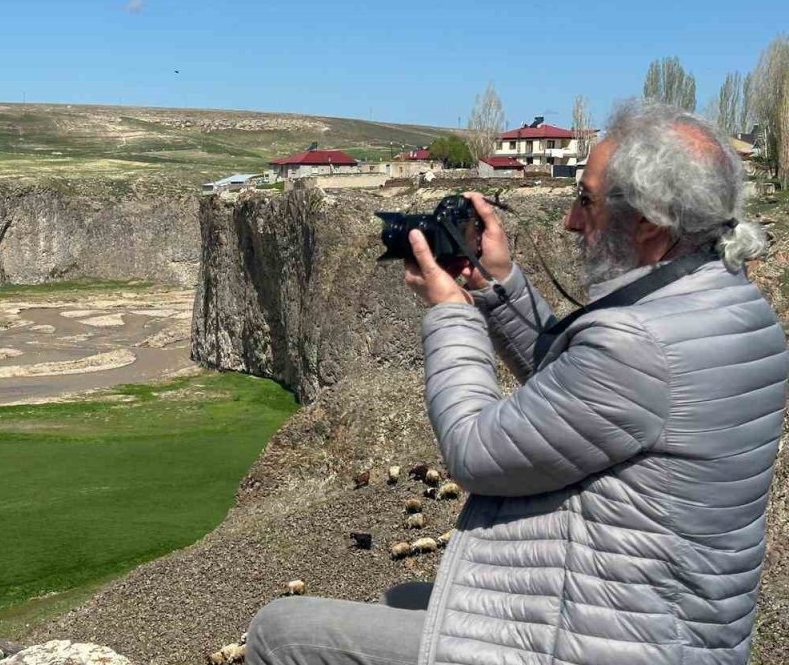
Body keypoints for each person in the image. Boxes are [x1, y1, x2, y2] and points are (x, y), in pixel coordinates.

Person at [245, 100, 788, 665]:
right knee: (405, 597)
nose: (572, 222)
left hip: (608, 642)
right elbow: (579, 399)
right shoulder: (730, 305)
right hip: (666, 622)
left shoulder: (638, 342)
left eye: (586, 201)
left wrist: (450, 311)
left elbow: (474, 451)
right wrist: (497, 287)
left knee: (281, 631)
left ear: (651, 221)